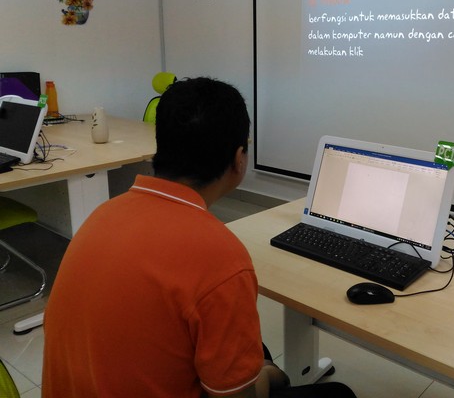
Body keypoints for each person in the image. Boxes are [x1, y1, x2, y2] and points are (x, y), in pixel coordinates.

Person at [42, 77, 356, 398]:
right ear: (239, 158)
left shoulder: (102, 214)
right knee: (338, 394)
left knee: (250, 346)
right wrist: (271, 376)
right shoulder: (221, 257)